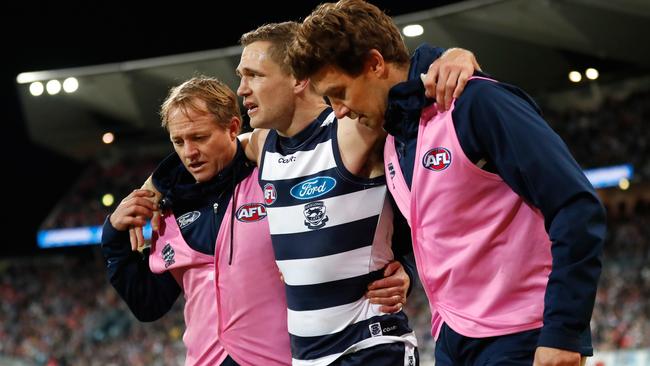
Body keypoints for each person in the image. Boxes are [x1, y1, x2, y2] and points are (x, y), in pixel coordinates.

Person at [287, 1, 607, 366]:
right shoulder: (394, 138)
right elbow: (426, 230)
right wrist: (404, 270)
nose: (338, 110)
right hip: (452, 339)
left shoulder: (476, 102)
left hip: (523, 337)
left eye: (339, 92)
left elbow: (576, 206)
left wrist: (564, 333)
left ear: (375, 63)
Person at [236, 21, 478, 366]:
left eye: (254, 75)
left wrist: (452, 55)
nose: (242, 89)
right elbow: (212, 148)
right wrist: (151, 190)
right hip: (307, 358)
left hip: (368, 347)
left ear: (299, 78)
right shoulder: (263, 145)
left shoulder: (351, 129)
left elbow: (397, 83)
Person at [101, 76, 292, 366]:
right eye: (178, 141)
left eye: (199, 137)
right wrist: (113, 237)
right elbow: (148, 305)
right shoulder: (168, 210)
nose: (188, 153)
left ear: (232, 128)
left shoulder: (272, 178)